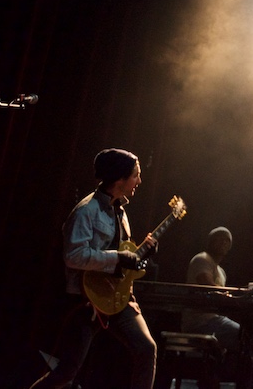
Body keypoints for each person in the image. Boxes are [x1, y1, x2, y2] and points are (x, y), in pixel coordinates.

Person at [30, 148, 158, 389]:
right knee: (67, 372)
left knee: (147, 348)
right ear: (120, 178)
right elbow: (73, 257)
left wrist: (141, 255)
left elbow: (121, 261)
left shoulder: (121, 212)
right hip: (86, 300)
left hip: (117, 298)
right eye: (136, 175)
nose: (139, 181)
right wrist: (119, 257)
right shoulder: (85, 211)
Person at [181, 226, 241, 352]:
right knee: (238, 333)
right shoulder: (202, 259)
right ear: (211, 242)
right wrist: (237, 294)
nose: (224, 243)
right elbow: (207, 286)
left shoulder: (221, 271)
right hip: (199, 321)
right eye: (220, 239)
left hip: (213, 319)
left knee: (245, 334)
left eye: (227, 240)